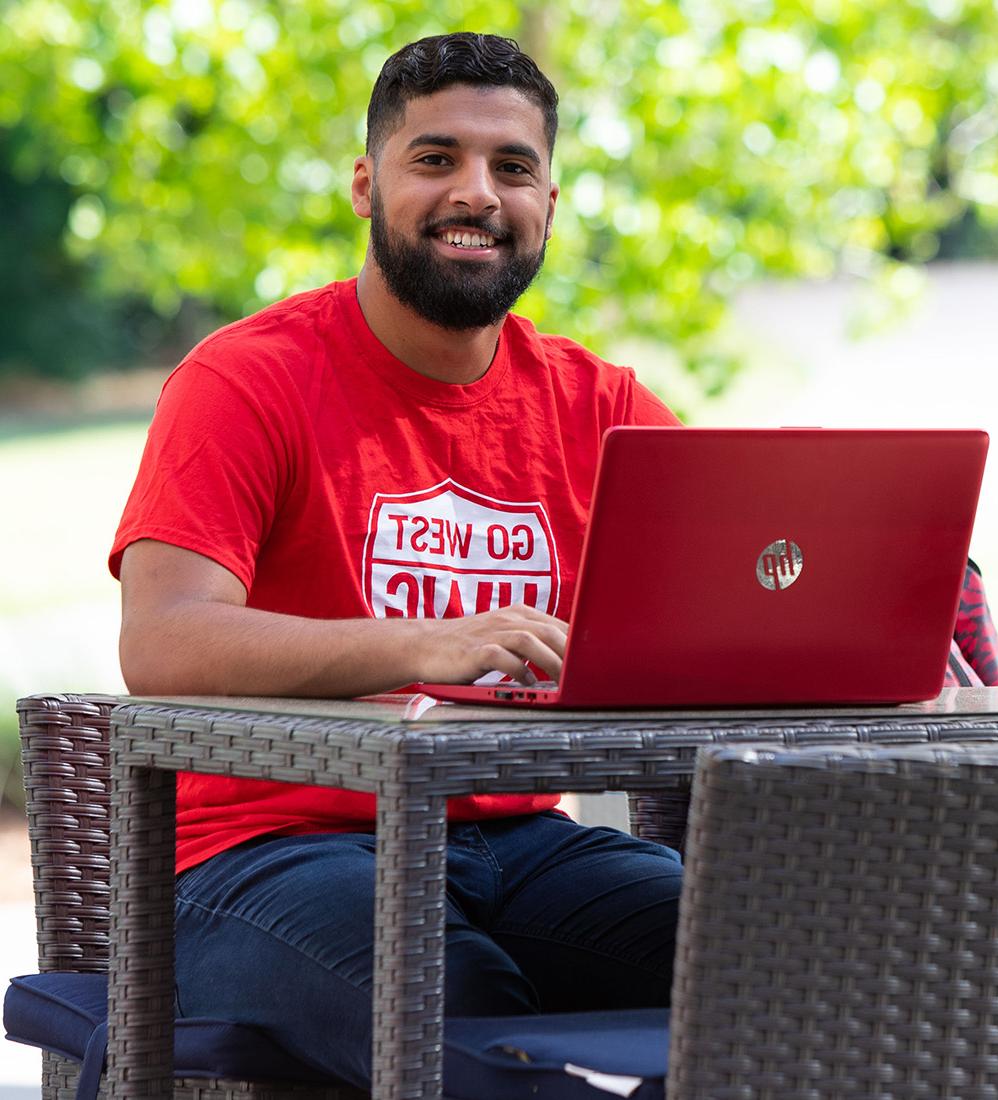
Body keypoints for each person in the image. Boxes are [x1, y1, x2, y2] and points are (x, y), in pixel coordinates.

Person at [110, 32, 684, 1087]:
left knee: (769, 955)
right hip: (261, 850)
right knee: (455, 998)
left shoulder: (603, 407)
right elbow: (163, 640)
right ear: (369, 187)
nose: (477, 192)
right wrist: (429, 642)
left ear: (549, 202)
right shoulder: (244, 380)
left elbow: (712, 607)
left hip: (516, 843)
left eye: (512, 167)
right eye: (437, 159)